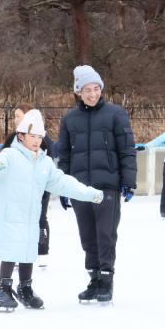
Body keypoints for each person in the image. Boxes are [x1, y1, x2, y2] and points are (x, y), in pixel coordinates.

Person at [0, 110, 103, 311]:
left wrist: (89, 193)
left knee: (29, 251)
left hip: (32, 215)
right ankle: (3, 288)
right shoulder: (10, 155)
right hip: (11, 214)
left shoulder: (44, 162)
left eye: (40, 137)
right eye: (32, 136)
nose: (37, 141)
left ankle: (25, 289)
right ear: (21, 136)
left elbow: (63, 183)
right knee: (12, 250)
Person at [57, 65, 137, 304]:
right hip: (80, 188)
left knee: (106, 234)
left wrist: (128, 182)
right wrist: (64, 186)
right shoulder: (70, 119)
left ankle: (106, 280)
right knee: (88, 237)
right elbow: (64, 155)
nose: (92, 94)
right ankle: (94, 279)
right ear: (78, 92)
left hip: (107, 186)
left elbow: (127, 149)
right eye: (87, 90)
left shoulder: (116, 114)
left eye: (96, 89)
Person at [4, 104, 55, 268]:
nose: (15, 119)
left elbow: (50, 159)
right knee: (19, 220)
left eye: (18, 116)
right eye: (14, 116)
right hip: (18, 189)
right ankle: (20, 252)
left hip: (39, 187)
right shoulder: (13, 137)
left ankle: (42, 251)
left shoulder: (42, 137)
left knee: (40, 218)